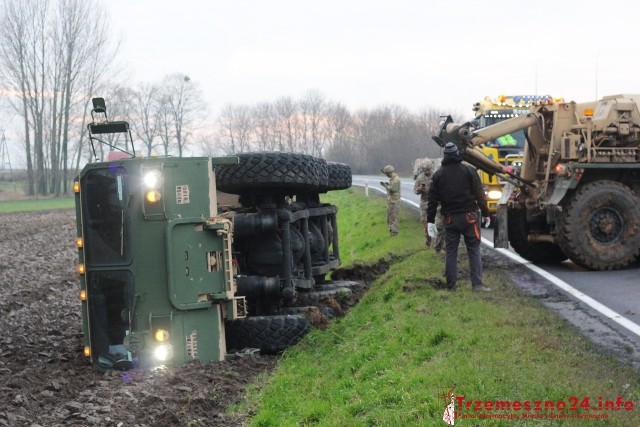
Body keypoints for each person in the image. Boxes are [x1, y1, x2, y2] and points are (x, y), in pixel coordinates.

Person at [427, 143, 492, 292]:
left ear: (445, 156)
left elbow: (432, 200)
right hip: (470, 217)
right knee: (474, 249)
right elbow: (479, 195)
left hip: (450, 219)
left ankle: (451, 285)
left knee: (451, 251)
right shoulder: (469, 171)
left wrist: (430, 220)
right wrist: (486, 213)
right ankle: (477, 285)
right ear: (457, 154)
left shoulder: (438, 175)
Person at [413, 160, 434, 245]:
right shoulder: (420, 178)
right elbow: (415, 190)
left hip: (434, 202)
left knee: (434, 223)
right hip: (424, 202)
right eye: (425, 170)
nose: (427, 172)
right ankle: (428, 240)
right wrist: (420, 189)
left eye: (428, 170)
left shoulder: (436, 175)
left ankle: (434, 242)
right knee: (425, 222)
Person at [380, 164, 401, 236]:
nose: (386, 175)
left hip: (394, 202)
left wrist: (386, 186)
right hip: (391, 201)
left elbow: (393, 189)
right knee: (390, 217)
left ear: (389, 173)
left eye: (386, 174)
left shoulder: (396, 180)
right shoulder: (393, 179)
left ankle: (394, 233)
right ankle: (392, 231)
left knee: (393, 217)